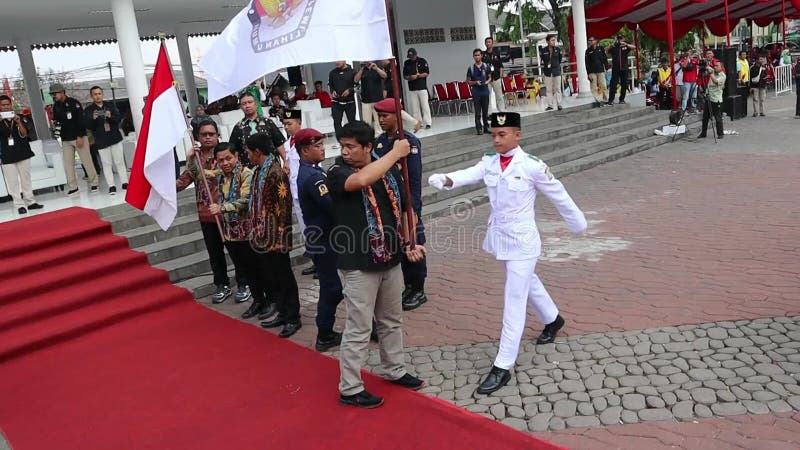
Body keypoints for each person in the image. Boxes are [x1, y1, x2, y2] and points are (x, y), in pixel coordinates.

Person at [427, 112, 587, 395]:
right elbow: (470, 174)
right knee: (528, 283)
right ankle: (553, 318)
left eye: (502, 134)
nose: (496, 139)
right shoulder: (489, 161)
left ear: (517, 135)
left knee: (514, 296)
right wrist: (447, 179)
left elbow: (558, 193)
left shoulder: (532, 166)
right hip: (501, 239)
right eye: (493, 135)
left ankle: (503, 365)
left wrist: (577, 224)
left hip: (524, 241)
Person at [328, 121, 426, 408]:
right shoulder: (337, 172)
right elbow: (360, 181)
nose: (344, 152)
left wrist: (410, 241)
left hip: (391, 257)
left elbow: (407, 208)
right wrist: (395, 153)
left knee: (391, 320)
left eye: (351, 147)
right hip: (358, 263)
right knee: (359, 328)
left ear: (368, 147)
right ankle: (350, 388)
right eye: (342, 146)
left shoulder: (389, 171)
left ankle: (394, 368)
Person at [177, 120, 251, 306]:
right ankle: (222, 284)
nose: (208, 137)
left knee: (236, 251)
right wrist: (159, 188)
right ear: (197, 137)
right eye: (204, 134)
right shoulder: (196, 157)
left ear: (218, 135)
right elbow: (184, 181)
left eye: (211, 133)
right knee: (214, 253)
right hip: (206, 213)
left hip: (228, 213)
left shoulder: (225, 155)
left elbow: (229, 174)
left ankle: (245, 283)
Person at [189, 142, 263, 316]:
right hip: (231, 232)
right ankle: (259, 302)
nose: (225, 163)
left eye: (228, 158)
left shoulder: (246, 174)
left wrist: (222, 208)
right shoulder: (221, 175)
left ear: (236, 156)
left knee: (255, 268)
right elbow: (199, 175)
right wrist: (191, 159)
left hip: (247, 232)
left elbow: (246, 200)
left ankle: (266, 301)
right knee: (243, 266)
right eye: (220, 160)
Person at [245, 132, 302, 338]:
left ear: (257, 152)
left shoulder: (275, 172)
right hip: (263, 236)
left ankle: (293, 317)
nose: (248, 156)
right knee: (273, 277)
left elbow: (284, 209)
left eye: (249, 152)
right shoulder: (260, 170)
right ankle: (282, 311)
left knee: (284, 277)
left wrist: (279, 238)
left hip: (276, 237)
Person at [373, 98, 428, 311]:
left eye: (385, 115)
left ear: (397, 116)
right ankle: (408, 284)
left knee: (413, 241)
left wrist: (412, 206)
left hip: (407, 202)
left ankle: (419, 288)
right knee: (399, 244)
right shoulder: (379, 142)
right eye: (379, 116)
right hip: (389, 204)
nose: (381, 120)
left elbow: (413, 178)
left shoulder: (409, 142)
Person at [295, 128, 344, 351]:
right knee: (331, 287)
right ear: (305, 151)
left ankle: (328, 330)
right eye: (317, 146)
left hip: (324, 238)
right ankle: (324, 333)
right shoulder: (312, 177)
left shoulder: (313, 170)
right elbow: (331, 206)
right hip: (324, 240)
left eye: (322, 145)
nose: (322, 148)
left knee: (335, 285)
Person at [281, 109, 316, 277]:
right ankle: (315, 260)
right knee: (305, 229)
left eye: (290, 123)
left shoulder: (308, 141)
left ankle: (322, 262)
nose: (287, 127)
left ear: (299, 123)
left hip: (308, 190)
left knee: (315, 227)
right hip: (295, 192)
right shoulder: (288, 144)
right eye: (285, 124)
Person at [50, 83, 98, 195]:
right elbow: (57, 121)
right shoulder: (55, 106)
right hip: (65, 139)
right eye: (52, 94)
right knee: (68, 164)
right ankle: (73, 187)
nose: (54, 96)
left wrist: (80, 136)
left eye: (55, 93)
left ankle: (94, 183)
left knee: (87, 161)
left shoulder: (74, 103)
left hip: (78, 137)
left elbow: (81, 121)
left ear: (62, 92)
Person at [0, 95, 43, 214]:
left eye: (7, 104)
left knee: (26, 178)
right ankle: (19, 205)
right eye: (3, 105)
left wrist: (18, 122)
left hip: (23, 152)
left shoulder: (20, 117)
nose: (5, 107)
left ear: (11, 105)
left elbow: (24, 134)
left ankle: (30, 202)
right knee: (12, 181)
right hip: (7, 155)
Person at [84, 86, 128, 195]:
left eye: (99, 93)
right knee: (106, 164)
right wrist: (93, 119)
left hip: (114, 137)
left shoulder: (110, 105)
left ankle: (125, 182)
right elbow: (88, 126)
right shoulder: (89, 110)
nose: (97, 96)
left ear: (102, 94)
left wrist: (110, 116)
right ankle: (111, 186)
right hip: (101, 140)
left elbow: (118, 119)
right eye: (95, 94)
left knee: (120, 161)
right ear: (91, 96)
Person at [229, 91, 287, 168]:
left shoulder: (268, 122)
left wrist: (286, 161)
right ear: (241, 107)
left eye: (250, 102)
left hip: (271, 168)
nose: (247, 105)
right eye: (244, 104)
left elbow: (279, 144)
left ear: (256, 104)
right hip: (248, 170)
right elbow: (233, 150)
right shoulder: (238, 127)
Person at [403, 48, 432, 129]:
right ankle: (418, 123)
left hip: (422, 87)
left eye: (412, 56)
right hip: (412, 88)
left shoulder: (422, 61)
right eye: (410, 56)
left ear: (416, 54)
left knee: (425, 106)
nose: (411, 58)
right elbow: (405, 75)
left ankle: (428, 122)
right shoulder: (407, 63)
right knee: (415, 107)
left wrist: (418, 76)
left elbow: (426, 73)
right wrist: (410, 77)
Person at [698, 60, 726, 140]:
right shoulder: (713, 71)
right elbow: (706, 72)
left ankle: (720, 134)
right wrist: (704, 67)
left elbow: (715, 81)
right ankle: (703, 133)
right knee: (705, 117)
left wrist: (710, 73)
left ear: (721, 67)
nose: (715, 67)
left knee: (717, 117)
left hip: (716, 99)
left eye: (717, 66)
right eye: (715, 66)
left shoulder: (722, 76)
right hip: (708, 98)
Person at [466, 49, 492, 135]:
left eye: (478, 55)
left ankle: (486, 127)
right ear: (473, 57)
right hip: (476, 92)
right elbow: (468, 81)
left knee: (485, 111)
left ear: (481, 56)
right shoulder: (471, 68)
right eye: (475, 55)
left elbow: (490, 77)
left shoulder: (486, 66)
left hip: (485, 91)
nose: (477, 57)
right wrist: (475, 82)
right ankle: (479, 128)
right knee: (477, 112)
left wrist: (487, 82)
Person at [329, 61, 357, 136]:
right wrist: (332, 91)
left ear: (344, 61)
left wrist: (350, 90)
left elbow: (357, 86)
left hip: (350, 102)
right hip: (336, 102)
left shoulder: (352, 72)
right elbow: (330, 85)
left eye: (339, 61)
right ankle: (340, 140)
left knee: (352, 122)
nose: (336, 62)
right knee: (337, 122)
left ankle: (353, 138)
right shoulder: (332, 73)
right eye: (335, 61)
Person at [357, 61, 388, 129]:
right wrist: (362, 68)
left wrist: (376, 68)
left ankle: (379, 136)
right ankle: (368, 137)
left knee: (378, 121)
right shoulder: (362, 69)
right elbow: (356, 80)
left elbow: (385, 75)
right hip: (366, 101)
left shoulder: (377, 67)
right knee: (366, 122)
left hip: (378, 99)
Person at [606, 34, 636, 106]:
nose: (620, 40)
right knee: (613, 84)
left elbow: (634, 47)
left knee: (624, 84)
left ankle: (622, 99)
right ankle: (610, 100)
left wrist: (626, 44)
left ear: (624, 39)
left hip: (624, 68)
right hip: (616, 69)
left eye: (621, 39)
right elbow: (606, 51)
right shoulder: (614, 46)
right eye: (619, 39)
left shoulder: (625, 46)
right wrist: (610, 46)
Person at [540, 35, 563, 111]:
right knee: (549, 89)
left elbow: (560, 59)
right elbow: (542, 60)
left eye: (554, 40)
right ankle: (550, 105)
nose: (554, 42)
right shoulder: (543, 50)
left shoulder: (558, 49)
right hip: (548, 72)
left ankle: (559, 104)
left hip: (556, 71)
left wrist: (555, 65)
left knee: (558, 89)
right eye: (552, 40)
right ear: (547, 41)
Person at [585, 36, 609, 106]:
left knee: (603, 85)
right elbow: (587, 63)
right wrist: (588, 73)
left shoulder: (600, 49)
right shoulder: (588, 51)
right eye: (589, 40)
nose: (590, 42)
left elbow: (605, 59)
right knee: (594, 87)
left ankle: (605, 99)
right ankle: (598, 100)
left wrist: (607, 67)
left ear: (595, 41)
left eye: (591, 40)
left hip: (600, 70)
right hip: (592, 72)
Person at [483, 37, 505, 112]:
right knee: (487, 97)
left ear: (492, 43)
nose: (488, 43)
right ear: (485, 44)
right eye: (487, 42)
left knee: (499, 96)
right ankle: (489, 113)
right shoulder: (483, 54)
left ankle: (501, 111)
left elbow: (501, 65)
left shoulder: (496, 53)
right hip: (487, 79)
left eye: (489, 42)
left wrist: (501, 76)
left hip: (496, 78)